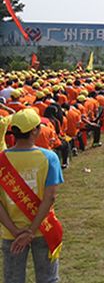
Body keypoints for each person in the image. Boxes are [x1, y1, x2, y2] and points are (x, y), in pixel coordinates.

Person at [0, 108, 64, 283]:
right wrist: (31, 231)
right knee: (48, 279)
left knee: (13, 279)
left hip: (11, 232)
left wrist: (14, 230)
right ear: (35, 131)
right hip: (43, 228)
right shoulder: (49, 158)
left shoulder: (1, 159)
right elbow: (50, 197)